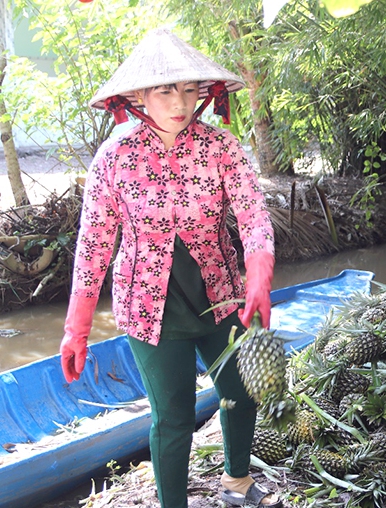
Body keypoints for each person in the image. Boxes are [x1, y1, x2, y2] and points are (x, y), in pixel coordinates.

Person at [59, 28, 281, 508]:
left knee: (240, 394)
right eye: (165, 89)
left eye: (188, 89)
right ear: (139, 95)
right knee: (173, 415)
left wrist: (259, 275)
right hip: (147, 304)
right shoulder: (113, 159)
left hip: (221, 293)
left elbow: (253, 216)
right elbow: (95, 243)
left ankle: (237, 483)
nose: (179, 101)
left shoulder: (222, 148)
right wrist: (76, 327)